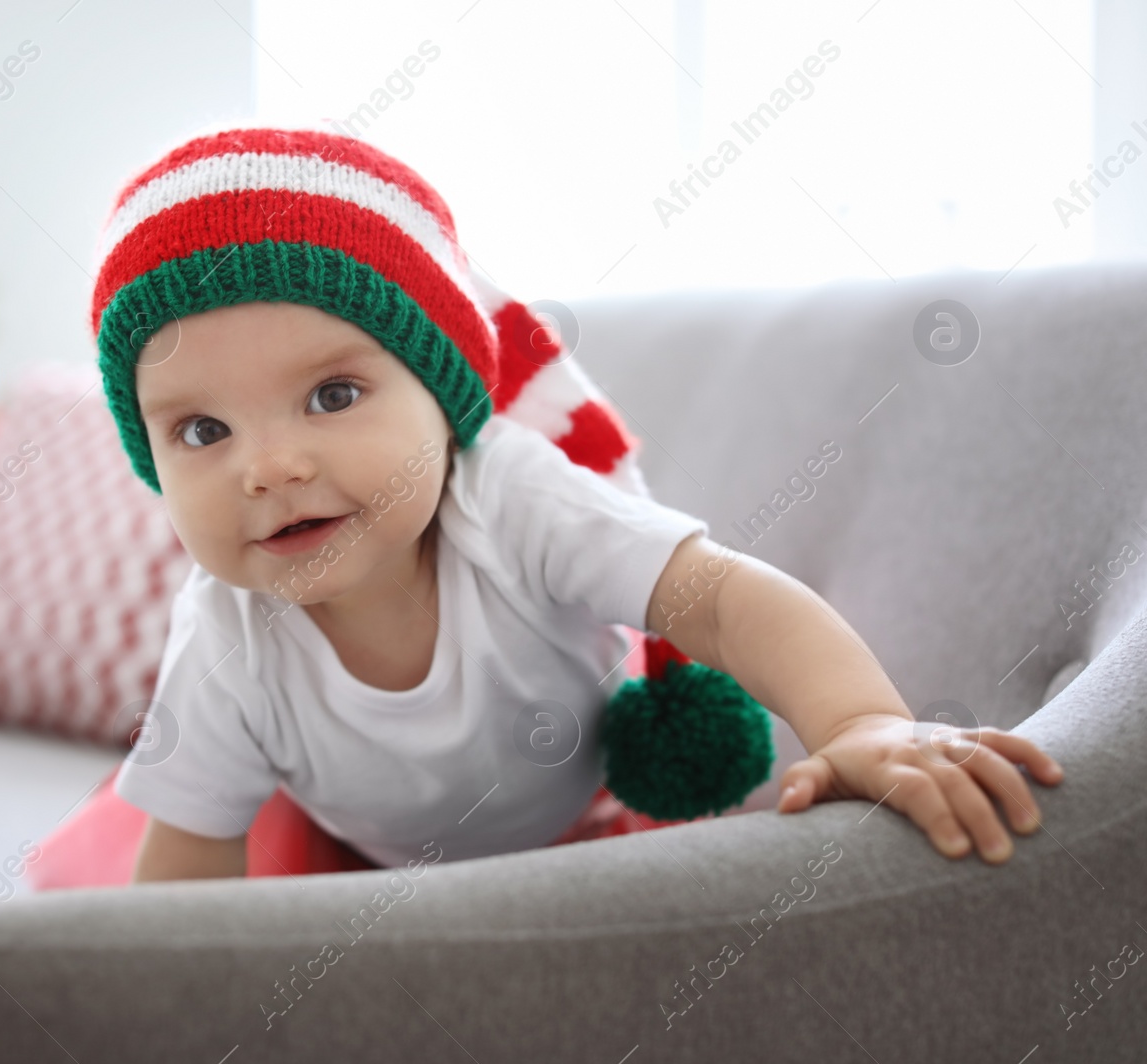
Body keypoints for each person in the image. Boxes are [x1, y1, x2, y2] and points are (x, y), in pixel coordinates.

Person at [69, 122, 1062, 885]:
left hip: (586, 819)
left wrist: (860, 724)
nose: (268, 467)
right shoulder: (225, 632)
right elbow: (185, 882)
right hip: (359, 862)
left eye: (333, 395)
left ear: (446, 400)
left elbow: (717, 599)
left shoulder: (507, 496)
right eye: (202, 431)